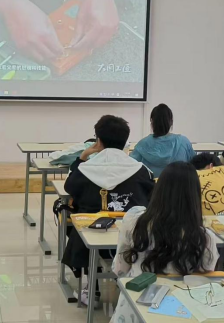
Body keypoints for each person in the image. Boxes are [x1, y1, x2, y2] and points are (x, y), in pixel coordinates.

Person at [62, 115, 155, 306]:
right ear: (125, 141)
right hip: (133, 234)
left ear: (98, 140)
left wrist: (82, 157)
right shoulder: (140, 170)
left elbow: (69, 187)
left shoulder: (86, 168)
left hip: (91, 234)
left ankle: (91, 287)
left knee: (69, 215)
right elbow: (150, 197)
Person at [110, 162, 220, 323]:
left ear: (158, 189)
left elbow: (119, 270)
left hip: (134, 307)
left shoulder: (134, 222)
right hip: (180, 311)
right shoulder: (204, 237)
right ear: (195, 195)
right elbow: (204, 278)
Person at [130, 104, 195, 177]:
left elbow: (130, 167)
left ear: (152, 122)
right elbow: (195, 166)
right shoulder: (184, 142)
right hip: (180, 184)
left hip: (151, 184)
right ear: (171, 122)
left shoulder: (142, 144)